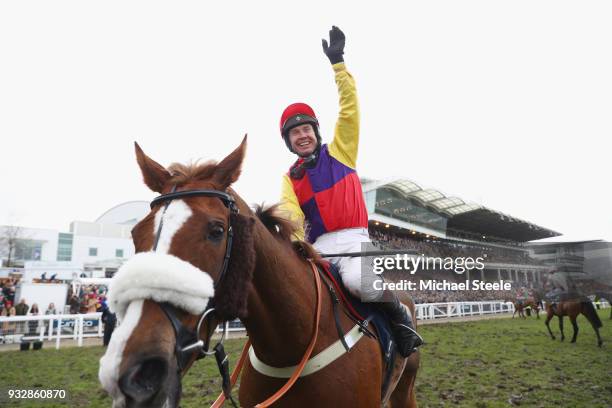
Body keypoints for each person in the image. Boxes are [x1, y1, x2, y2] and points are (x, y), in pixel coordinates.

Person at [278, 26, 422, 358]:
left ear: (315, 131)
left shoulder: (341, 150)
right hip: (318, 248)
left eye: (305, 129)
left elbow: (349, 108)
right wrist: (297, 247)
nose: (302, 136)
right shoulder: (289, 178)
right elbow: (290, 215)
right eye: (294, 133)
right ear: (289, 142)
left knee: (360, 284)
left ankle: (401, 321)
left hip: (356, 240)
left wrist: (338, 65)